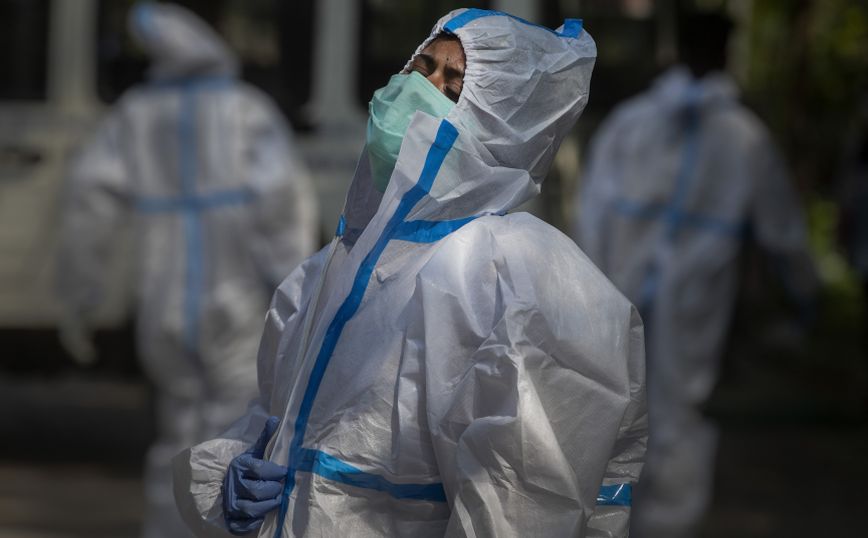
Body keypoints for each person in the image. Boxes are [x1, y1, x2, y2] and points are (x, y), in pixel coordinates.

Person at [174, 8, 647, 538]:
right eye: (421, 67)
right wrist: (232, 475)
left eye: (453, 84)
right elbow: (269, 417)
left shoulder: (512, 277)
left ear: (499, 126)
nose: (421, 89)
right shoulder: (331, 270)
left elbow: (524, 503)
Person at [56, 3, 317, 537]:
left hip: (164, 296)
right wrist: (296, 290)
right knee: (237, 430)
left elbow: (88, 203)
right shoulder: (246, 109)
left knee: (177, 427)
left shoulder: (133, 114)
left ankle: (168, 527)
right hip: (237, 296)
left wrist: (81, 295)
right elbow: (282, 207)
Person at [575, 11, 816, 538]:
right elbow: (784, 231)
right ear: (726, 54)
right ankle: (662, 525)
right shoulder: (744, 136)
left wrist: (585, 290)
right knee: (676, 415)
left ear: (676, 51)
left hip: (618, 290)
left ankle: (608, 522)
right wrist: (805, 297)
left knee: (610, 406)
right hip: (693, 303)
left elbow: (590, 212)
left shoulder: (630, 123)